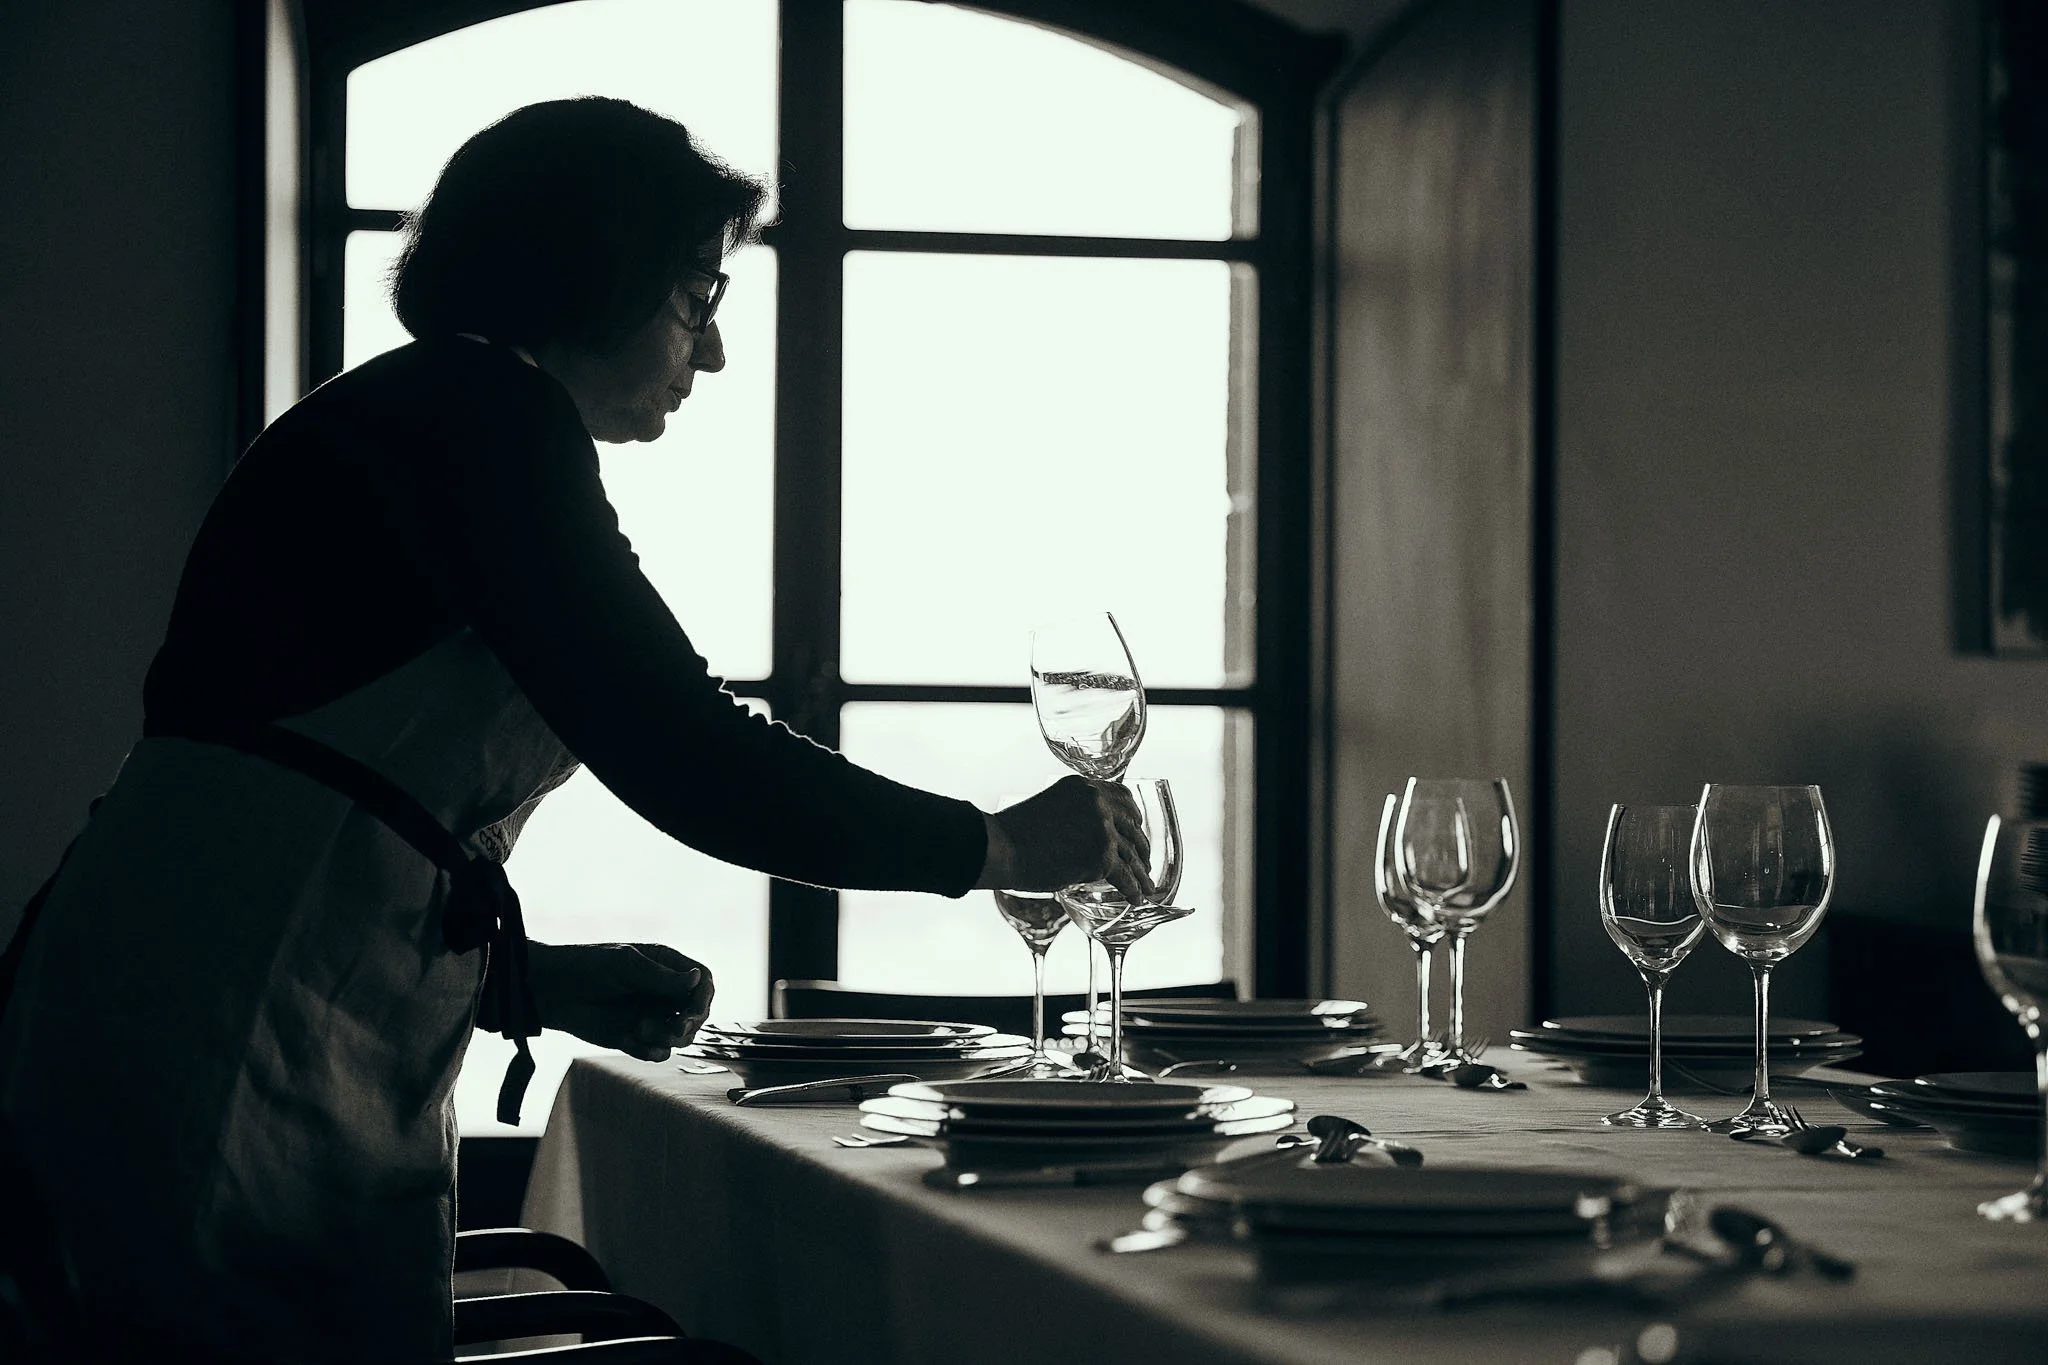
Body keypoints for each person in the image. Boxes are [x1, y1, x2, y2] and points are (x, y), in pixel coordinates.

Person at [0, 97, 1147, 1364]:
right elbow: (677, 745)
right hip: (217, 1047)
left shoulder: (440, 414)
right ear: (599, 268)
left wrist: (527, 981)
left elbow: (311, 809)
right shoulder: (478, 409)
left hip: (232, 1005)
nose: (708, 354)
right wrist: (991, 845)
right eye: (697, 296)